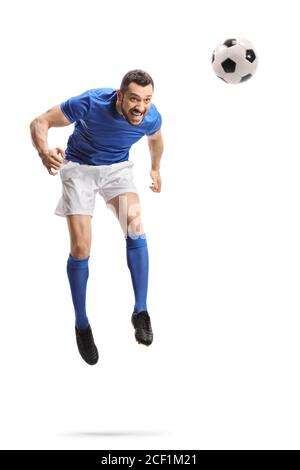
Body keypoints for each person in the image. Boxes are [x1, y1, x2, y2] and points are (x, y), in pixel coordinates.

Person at [30, 70, 164, 365]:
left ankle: (140, 311)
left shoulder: (150, 115)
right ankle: (82, 325)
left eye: (146, 99)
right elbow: (40, 122)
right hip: (79, 169)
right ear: (119, 96)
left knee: (135, 228)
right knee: (81, 248)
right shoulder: (90, 103)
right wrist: (43, 151)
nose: (140, 107)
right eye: (133, 99)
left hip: (116, 169)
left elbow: (155, 139)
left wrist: (155, 168)